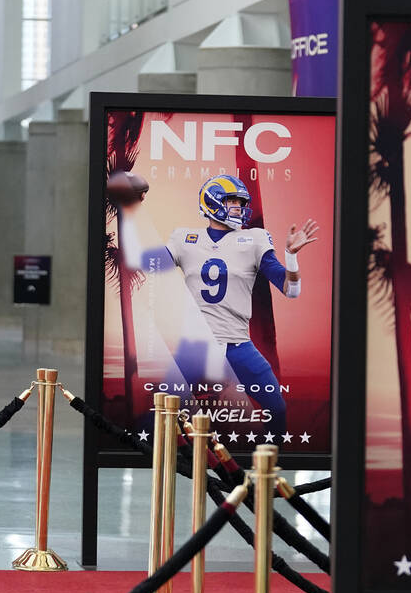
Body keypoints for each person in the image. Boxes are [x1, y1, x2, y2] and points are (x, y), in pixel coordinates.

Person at [120, 173, 319, 436]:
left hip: (237, 344)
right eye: (233, 202)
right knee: (161, 414)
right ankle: (157, 461)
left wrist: (291, 257)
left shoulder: (255, 239)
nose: (239, 208)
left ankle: (267, 471)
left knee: (277, 409)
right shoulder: (184, 239)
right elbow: (148, 264)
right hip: (196, 346)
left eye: (241, 203)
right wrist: (132, 210)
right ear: (214, 203)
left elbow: (291, 290)